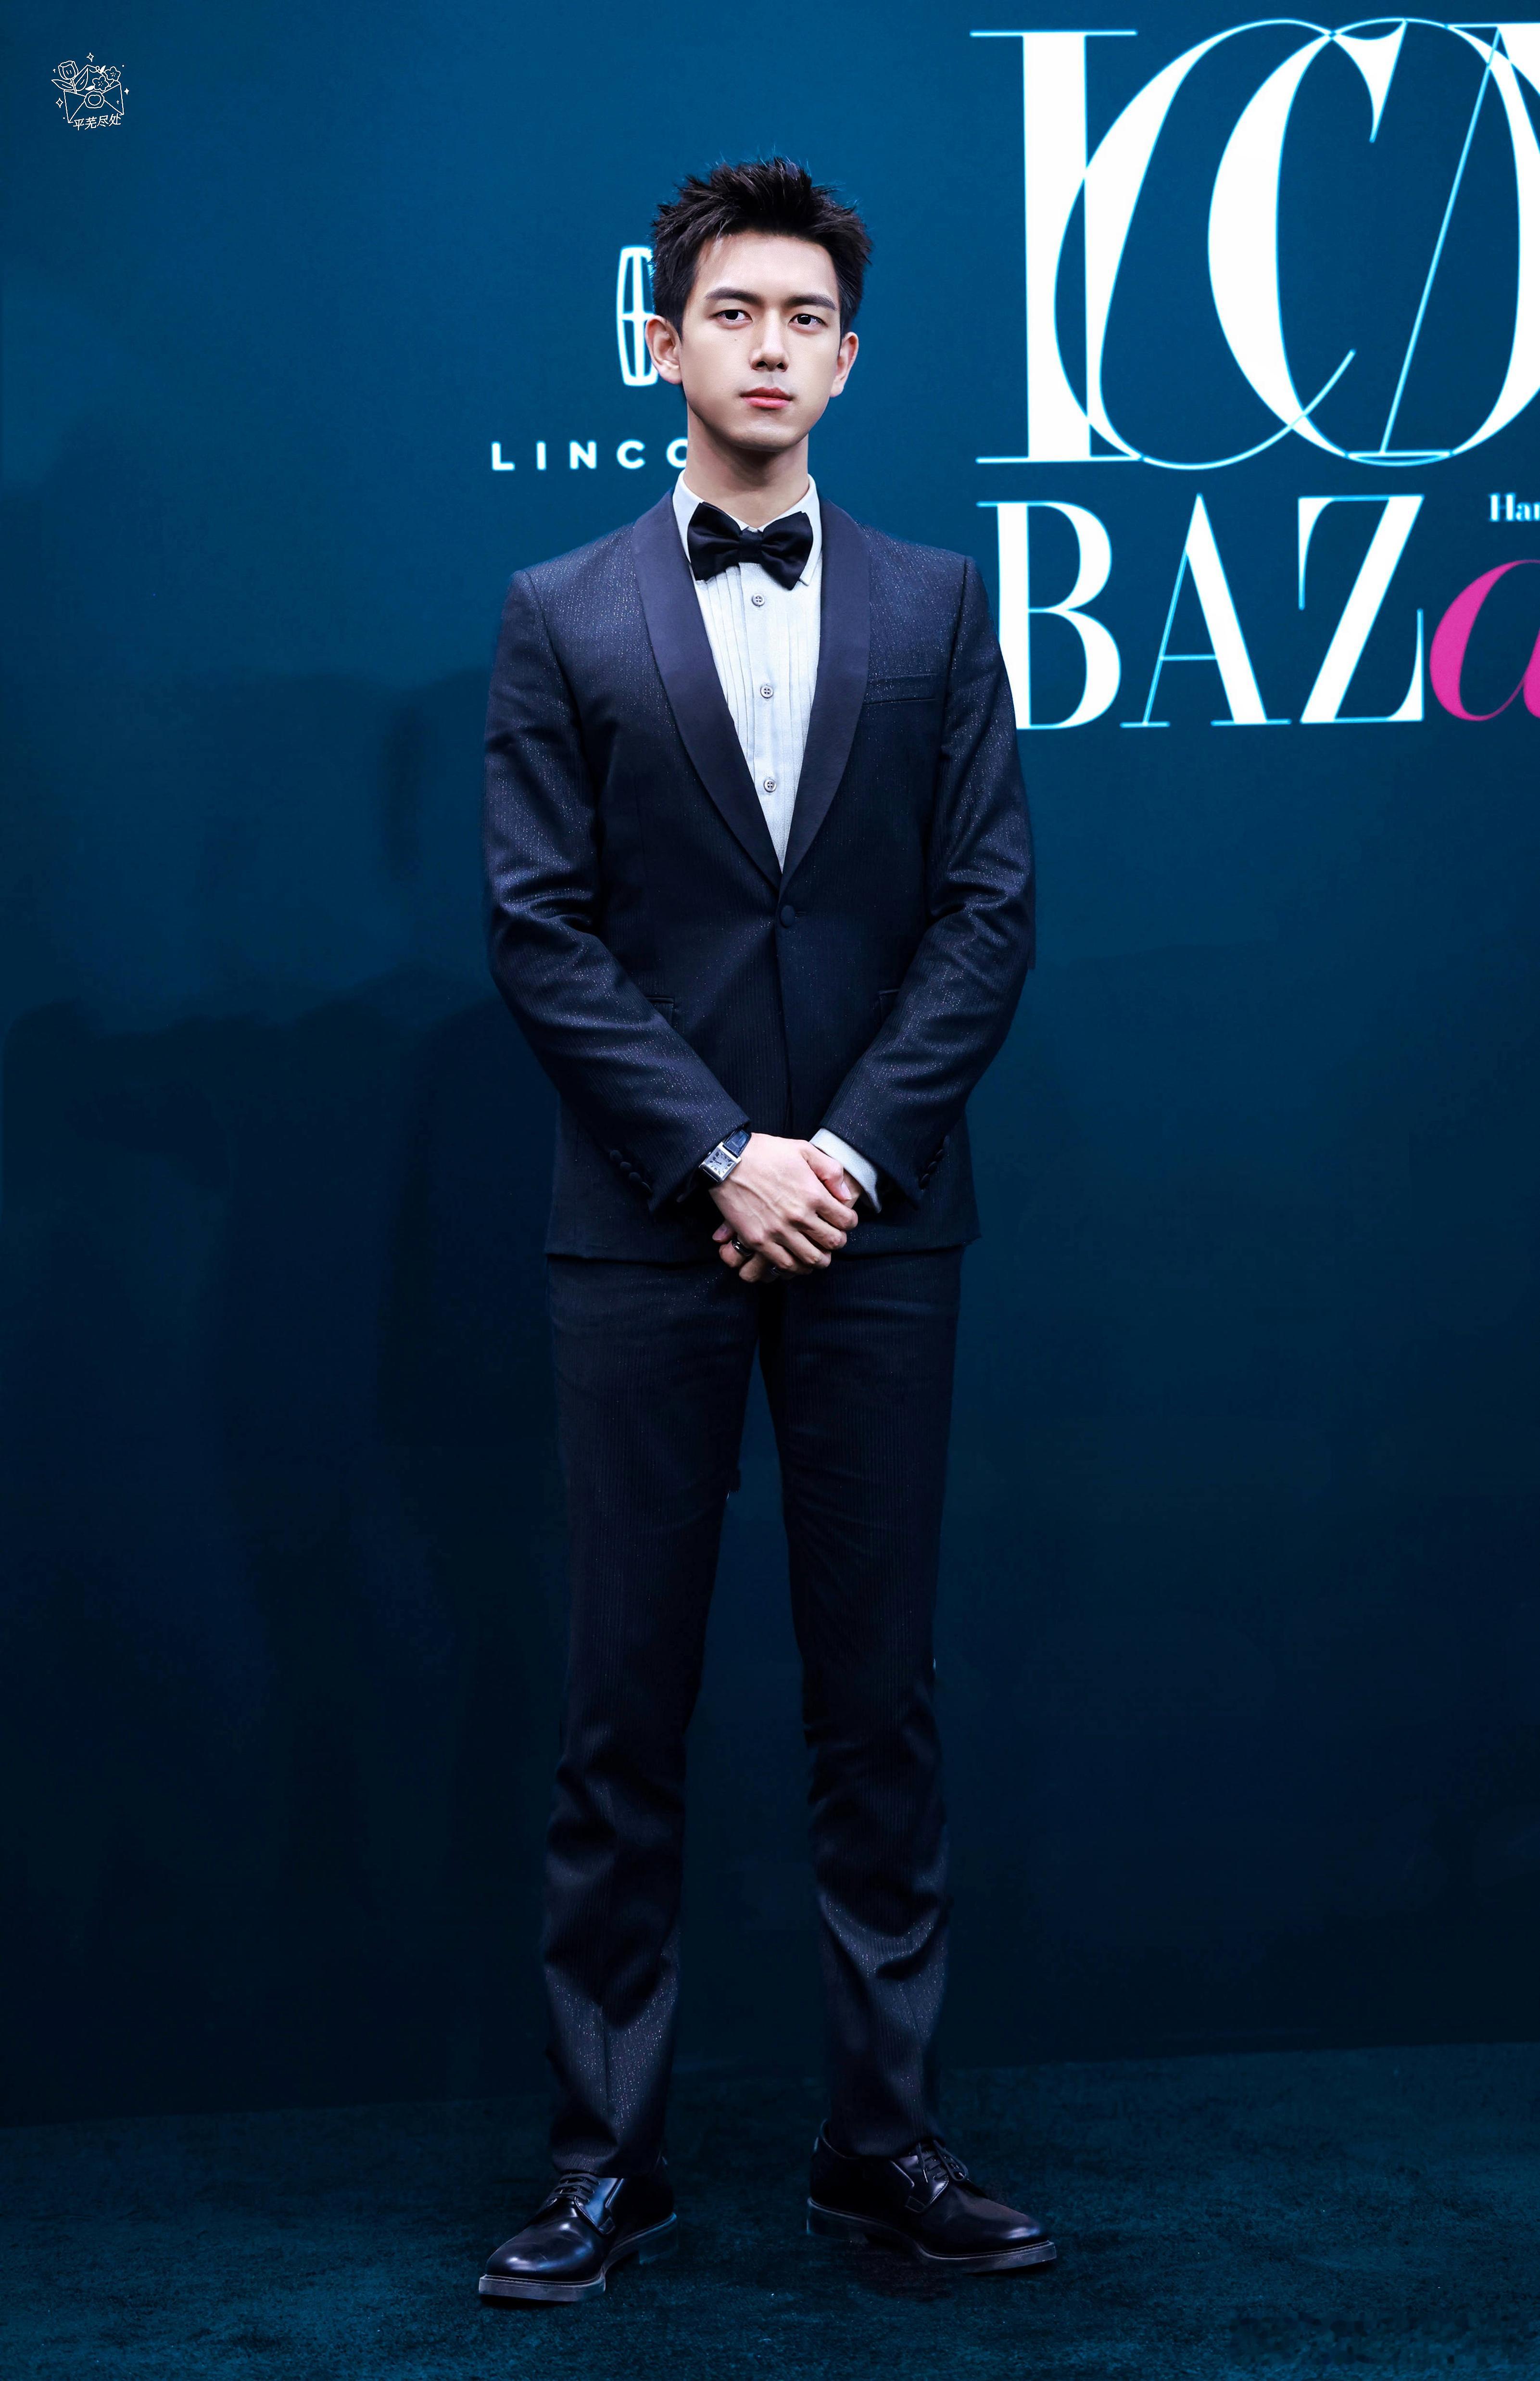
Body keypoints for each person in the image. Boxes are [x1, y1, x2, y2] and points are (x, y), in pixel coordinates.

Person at [478, 157, 1048, 2302]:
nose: (772, 346)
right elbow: (539, 931)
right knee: (619, 1714)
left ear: (850, 357)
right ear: (663, 342)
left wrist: (847, 1159)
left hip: (882, 1237)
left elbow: (987, 911)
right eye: (734, 311)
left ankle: (882, 2148)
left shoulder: (938, 603)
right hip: (646, 1233)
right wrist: (724, 1154)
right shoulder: (559, 609)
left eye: (807, 316)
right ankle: (600, 2163)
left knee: (876, 1706)